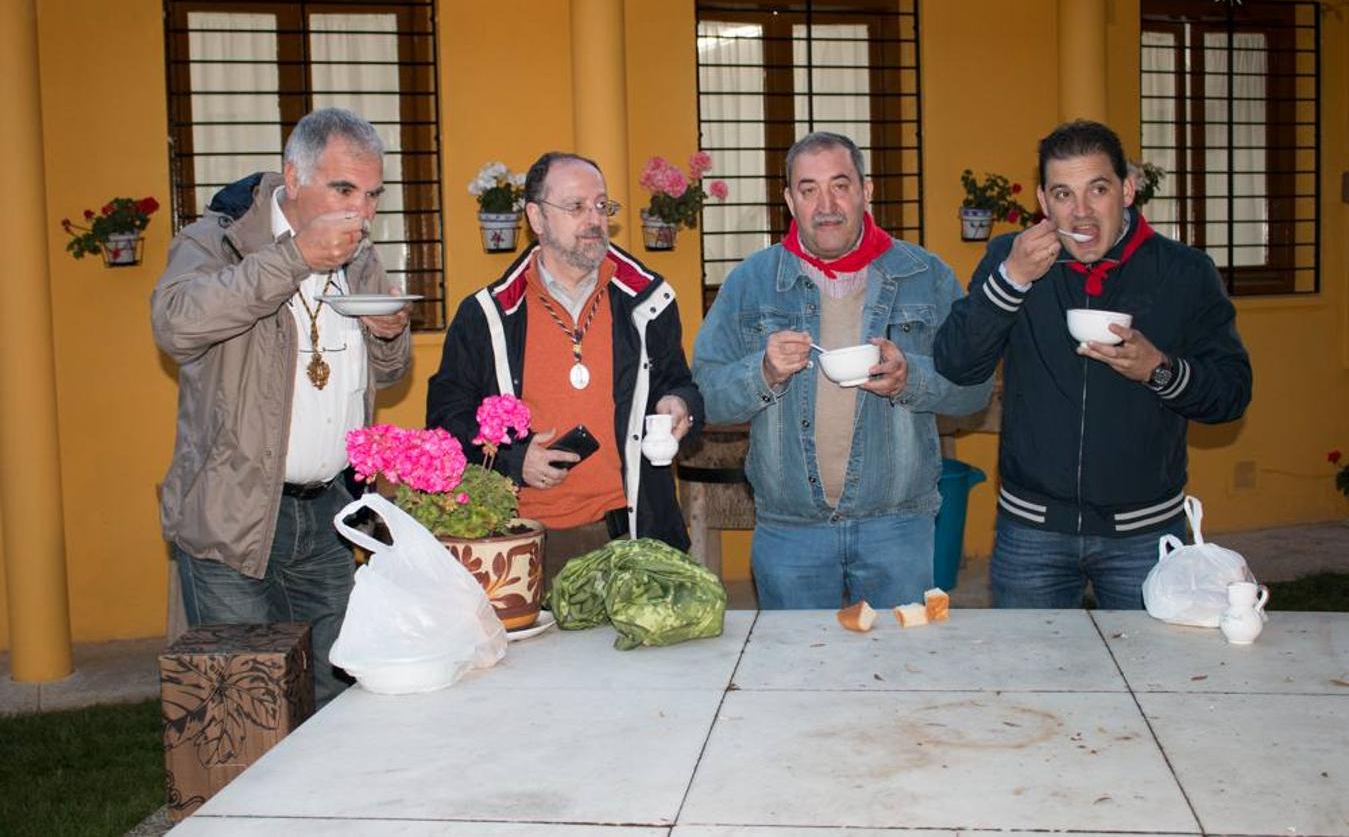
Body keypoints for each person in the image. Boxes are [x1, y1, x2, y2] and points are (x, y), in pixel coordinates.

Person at [934, 119, 1252, 609]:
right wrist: (1012, 279)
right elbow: (956, 364)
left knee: (1146, 683)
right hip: (1031, 533)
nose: (1080, 213)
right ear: (1043, 201)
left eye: (1096, 189)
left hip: (1144, 535)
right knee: (1034, 683)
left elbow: (1231, 393)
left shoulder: (1185, 272)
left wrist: (1159, 369)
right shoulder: (1011, 257)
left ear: (1126, 190)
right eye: (1063, 194)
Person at [152, 107, 412, 705]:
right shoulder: (217, 240)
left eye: (372, 195)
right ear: (293, 179)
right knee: (248, 708)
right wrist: (296, 258)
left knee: (339, 695)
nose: (361, 212)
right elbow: (175, 325)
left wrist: (390, 332)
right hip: (234, 516)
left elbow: (388, 376)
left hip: (326, 515)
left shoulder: (362, 258)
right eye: (344, 189)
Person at [691, 132, 991, 610]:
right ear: (790, 200)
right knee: (797, 679)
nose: (826, 204)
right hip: (790, 530)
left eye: (840, 185)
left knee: (898, 675)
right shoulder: (752, 283)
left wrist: (910, 380)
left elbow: (974, 392)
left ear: (867, 190)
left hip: (897, 526)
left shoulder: (925, 276)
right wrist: (763, 372)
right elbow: (703, 396)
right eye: (808, 190)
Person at [426, 151, 704, 585]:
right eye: (576, 207)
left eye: (601, 206)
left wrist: (680, 404)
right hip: (522, 540)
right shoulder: (486, 314)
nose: (594, 219)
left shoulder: (649, 300)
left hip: (632, 532)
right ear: (536, 218)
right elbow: (445, 419)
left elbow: (677, 382)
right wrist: (513, 460)